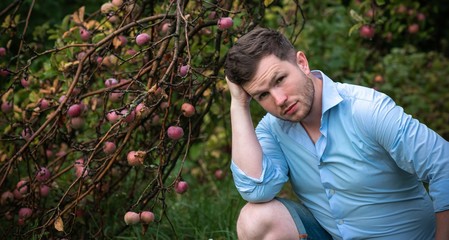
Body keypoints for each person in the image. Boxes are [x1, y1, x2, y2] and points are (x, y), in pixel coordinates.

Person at [224, 27, 449, 240]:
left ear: (301, 63)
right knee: (254, 219)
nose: (279, 100)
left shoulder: (366, 109)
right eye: (263, 95)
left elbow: (444, 166)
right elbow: (257, 189)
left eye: (280, 80)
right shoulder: (273, 129)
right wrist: (238, 104)